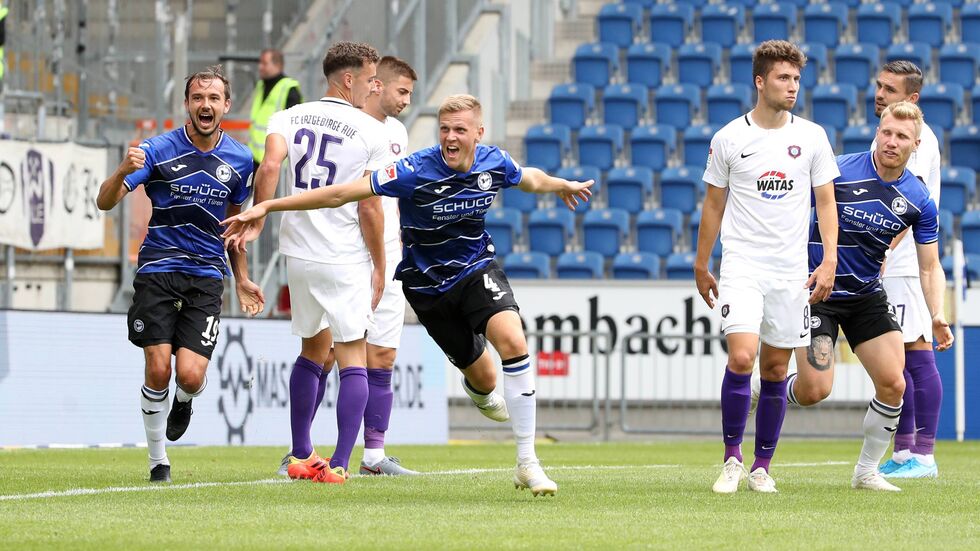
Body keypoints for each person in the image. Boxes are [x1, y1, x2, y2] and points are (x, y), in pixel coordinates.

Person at [223, 94, 593, 496]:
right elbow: (341, 194)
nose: (451, 138)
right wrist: (270, 206)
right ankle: (480, 391)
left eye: (460, 131)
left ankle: (527, 462)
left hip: (475, 269)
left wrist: (561, 185)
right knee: (485, 379)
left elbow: (531, 178)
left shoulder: (494, 161)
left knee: (513, 340)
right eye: (445, 130)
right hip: (428, 287)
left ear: (478, 134)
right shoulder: (415, 169)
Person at [96, 66, 263, 483]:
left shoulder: (241, 159)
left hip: (207, 275)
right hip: (158, 269)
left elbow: (235, 225)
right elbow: (104, 202)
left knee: (189, 375)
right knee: (158, 370)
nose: (205, 105)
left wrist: (241, 278)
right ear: (187, 104)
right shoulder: (157, 150)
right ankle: (158, 463)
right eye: (197, 98)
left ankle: (185, 401)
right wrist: (121, 170)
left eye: (214, 98)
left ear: (226, 105)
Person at [695, 40, 840, 494]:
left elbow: (826, 202)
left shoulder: (812, 136)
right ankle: (732, 459)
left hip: (791, 271)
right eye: (783, 78)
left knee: (776, 370)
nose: (792, 86)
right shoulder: (729, 138)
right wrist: (702, 264)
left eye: (796, 78)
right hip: (742, 265)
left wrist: (830, 258)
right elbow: (713, 206)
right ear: (760, 82)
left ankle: (762, 466)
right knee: (742, 357)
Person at [788, 101, 953, 491]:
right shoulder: (838, 169)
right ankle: (772, 385)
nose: (891, 142)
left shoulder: (918, 199)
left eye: (901, 137)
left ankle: (866, 472)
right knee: (816, 390)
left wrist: (937, 313)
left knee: (894, 383)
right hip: (819, 292)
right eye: (886, 132)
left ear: (916, 146)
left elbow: (929, 265)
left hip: (864, 295)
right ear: (877, 131)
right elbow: (792, 216)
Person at [244, 41, 387, 485]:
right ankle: (342, 462)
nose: (373, 86)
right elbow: (369, 207)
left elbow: (269, 167)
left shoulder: (288, 116)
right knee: (352, 355)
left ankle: (301, 453)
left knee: (310, 350)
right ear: (348, 80)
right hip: (343, 255)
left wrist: (259, 215)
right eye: (369, 78)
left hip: (298, 254)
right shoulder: (372, 131)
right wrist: (380, 265)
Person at [871, 62, 944, 479]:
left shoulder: (920, 140)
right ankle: (904, 453)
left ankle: (924, 454)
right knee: (897, 359)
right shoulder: (890, 131)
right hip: (895, 265)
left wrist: (879, 249)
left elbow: (903, 205)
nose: (881, 93)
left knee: (915, 354)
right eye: (879, 86)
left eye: (890, 89)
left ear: (911, 98)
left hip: (905, 265)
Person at [353, 55, 418, 476]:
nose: (407, 101)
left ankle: (374, 456)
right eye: (402, 92)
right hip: (348, 252)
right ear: (379, 86)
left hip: (390, 254)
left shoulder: (398, 132)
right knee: (325, 355)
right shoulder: (352, 126)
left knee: (383, 355)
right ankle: (300, 450)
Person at [248, 48, 303, 168]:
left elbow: (294, 128)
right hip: (256, 157)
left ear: (277, 65)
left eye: (264, 63)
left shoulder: (289, 88)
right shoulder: (261, 85)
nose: (260, 67)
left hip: (275, 162)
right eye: (260, 63)